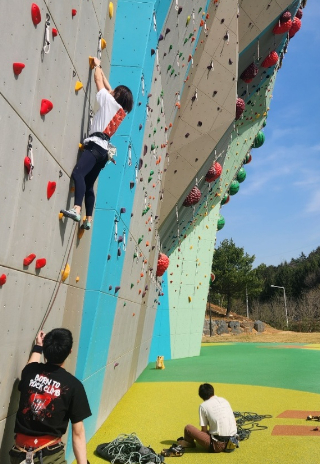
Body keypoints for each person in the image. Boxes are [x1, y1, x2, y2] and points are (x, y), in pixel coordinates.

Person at [60, 57, 133, 230]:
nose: (111, 91)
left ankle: (77, 209)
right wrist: (101, 69)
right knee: (89, 185)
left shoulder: (109, 102)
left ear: (117, 96)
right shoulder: (120, 112)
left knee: (78, 174)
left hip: (96, 146)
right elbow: (108, 88)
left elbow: (98, 80)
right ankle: (88, 220)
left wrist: (98, 65)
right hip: (104, 153)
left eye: (115, 91)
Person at [9, 328, 91, 464]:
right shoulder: (74, 385)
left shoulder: (30, 371)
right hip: (50, 456)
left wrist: (38, 345)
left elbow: (31, 364)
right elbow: (78, 433)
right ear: (69, 351)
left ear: (46, 351)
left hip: (19, 454)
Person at [177, 383, 238, 453]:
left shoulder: (203, 406)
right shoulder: (224, 400)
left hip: (217, 445)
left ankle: (188, 443)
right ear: (212, 391)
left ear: (201, 396)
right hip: (233, 441)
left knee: (188, 428)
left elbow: (204, 430)